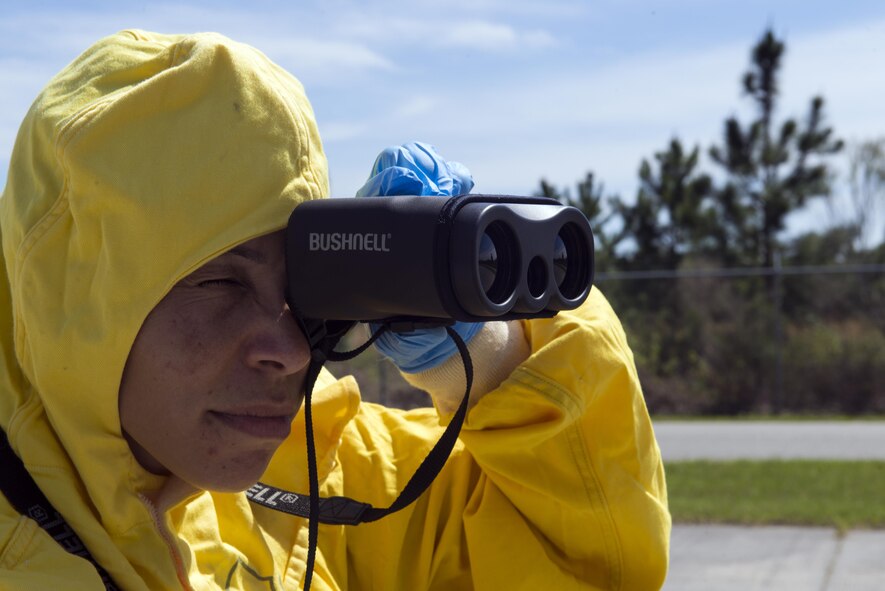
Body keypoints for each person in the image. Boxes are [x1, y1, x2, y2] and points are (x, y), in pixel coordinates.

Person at [0, 30, 670, 590]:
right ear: (77, 298)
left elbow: (591, 562)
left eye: (301, 290)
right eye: (219, 283)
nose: (290, 350)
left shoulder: (292, 475)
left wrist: (485, 352)